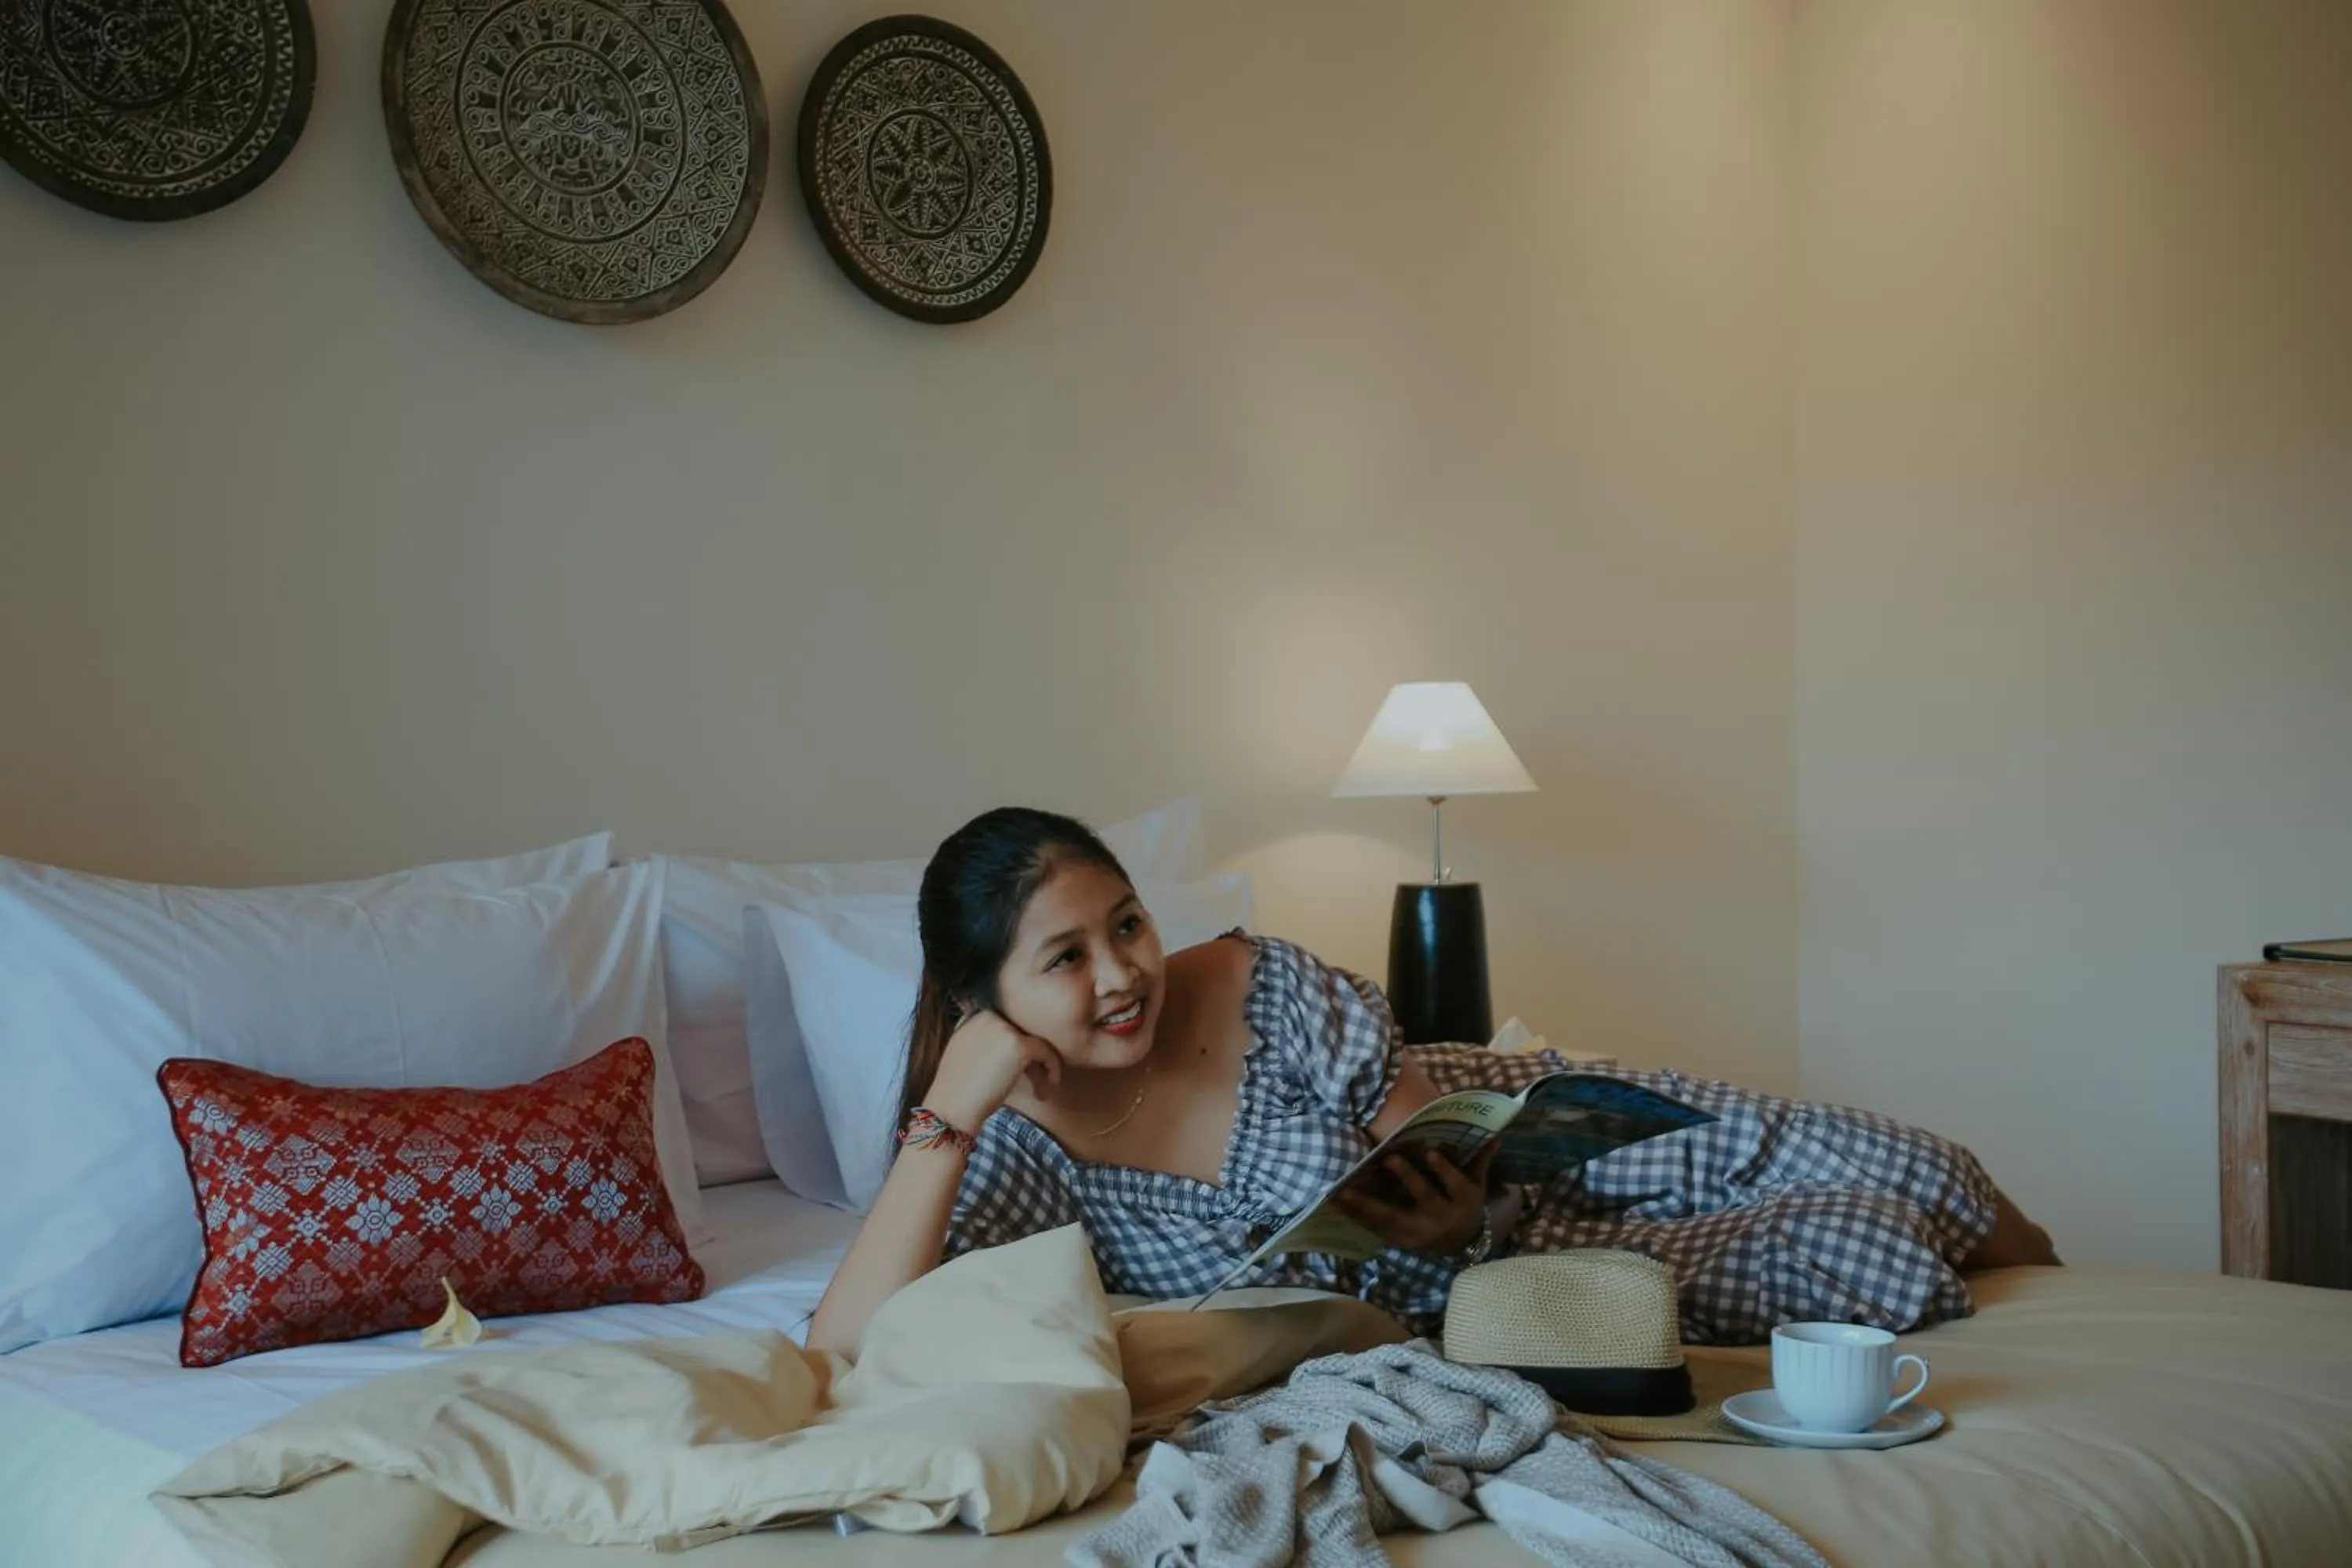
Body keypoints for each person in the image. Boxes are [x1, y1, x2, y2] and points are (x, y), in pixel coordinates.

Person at [804, 808, 2058, 1356]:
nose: (1124, 974)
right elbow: (846, 1344)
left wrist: (1471, 1201)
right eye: (1066, 959)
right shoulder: (1014, 1156)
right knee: (1863, 1246)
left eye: (1125, 923)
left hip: (1518, 1138)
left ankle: (2062, 1283)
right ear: (985, 999)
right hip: (1480, 1284)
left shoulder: (1246, 979)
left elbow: (1437, 1131)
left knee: (1926, 1169)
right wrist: (951, 1108)